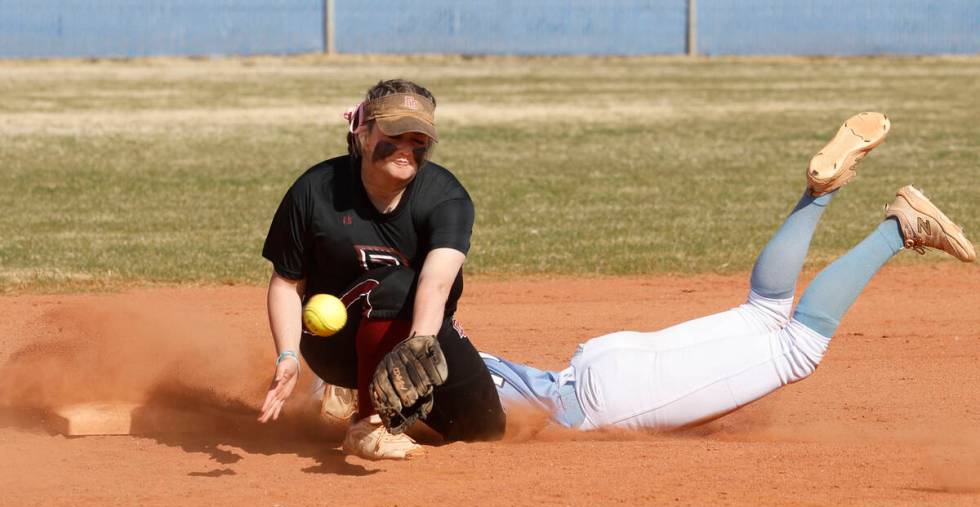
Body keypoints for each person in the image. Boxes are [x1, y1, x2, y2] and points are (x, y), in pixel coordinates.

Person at [479, 112, 975, 431]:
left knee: (795, 349)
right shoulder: (428, 338)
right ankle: (820, 193)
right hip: (588, 367)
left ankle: (900, 228)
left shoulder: (419, 383)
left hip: (596, 402)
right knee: (762, 313)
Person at [259, 79, 505, 459]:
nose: (407, 147)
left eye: (418, 139)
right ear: (363, 131)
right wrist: (287, 356)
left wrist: (420, 345)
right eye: (395, 134)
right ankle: (367, 424)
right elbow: (286, 282)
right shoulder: (316, 190)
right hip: (334, 343)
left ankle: (389, 403)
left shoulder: (446, 197)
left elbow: (437, 283)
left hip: (419, 330)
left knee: (484, 429)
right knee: (394, 284)